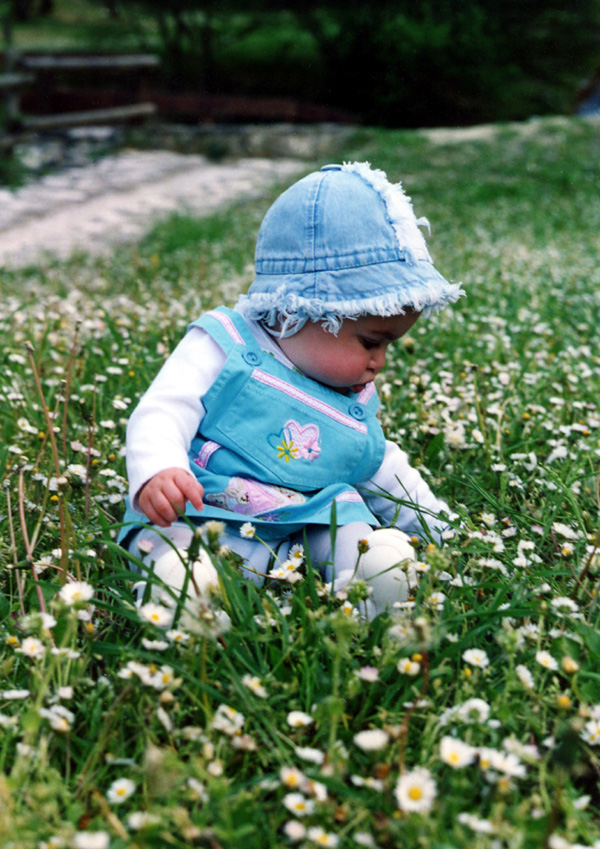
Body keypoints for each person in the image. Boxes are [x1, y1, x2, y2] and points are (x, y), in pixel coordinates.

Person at [119, 162, 463, 616]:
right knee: (171, 541)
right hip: (210, 509)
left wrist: (442, 530)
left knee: (350, 536)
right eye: (371, 342)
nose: (378, 362)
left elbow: (382, 469)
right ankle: (181, 590)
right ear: (297, 311)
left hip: (308, 525)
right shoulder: (226, 343)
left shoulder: (349, 400)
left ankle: (373, 578)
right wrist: (158, 469)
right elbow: (164, 408)